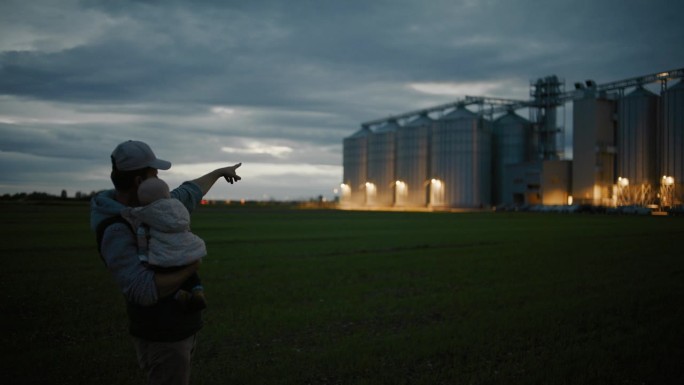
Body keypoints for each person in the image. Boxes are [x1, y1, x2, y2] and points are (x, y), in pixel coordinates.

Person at [90, 140, 241, 385]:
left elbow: (189, 193)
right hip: (161, 335)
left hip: (180, 329)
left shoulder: (154, 206)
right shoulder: (116, 228)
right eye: (155, 174)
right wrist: (192, 266)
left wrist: (219, 173)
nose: (159, 179)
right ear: (140, 182)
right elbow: (143, 289)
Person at [121, 177, 207, 312]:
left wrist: (144, 260)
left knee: (166, 281)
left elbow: (142, 239)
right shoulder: (179, 209)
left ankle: (178, 295)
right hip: (188, 253)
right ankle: (198, 291)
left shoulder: (145, 217)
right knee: (191, 275)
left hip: (163, 258)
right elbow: (186, 228)